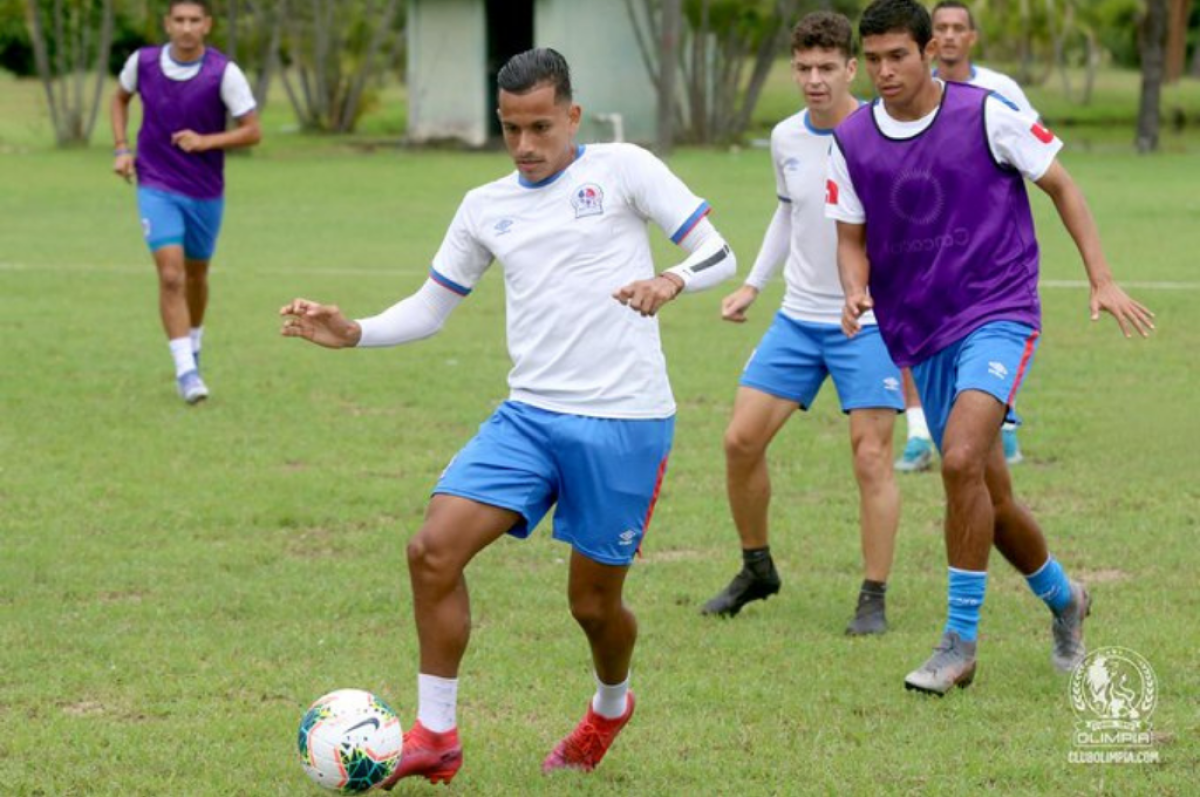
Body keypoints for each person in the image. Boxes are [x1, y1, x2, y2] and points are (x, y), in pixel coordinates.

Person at [280, 48, 736, 782]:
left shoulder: (623, 167)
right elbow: (432, 307)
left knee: (592, 606)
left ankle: (611, 705)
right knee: (432, 549)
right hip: (528, 418)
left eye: (541, 127)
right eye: (511, 128)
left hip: (624, 421)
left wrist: (670, 279)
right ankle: (436, 734)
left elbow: (718, 252)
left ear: (573, 116)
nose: (525, 146)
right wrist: (355, 329)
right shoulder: (485, 205)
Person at [827, 0, 1153, 695]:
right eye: (874, 58)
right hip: (921, 329)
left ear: (928, 52)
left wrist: (1102, 278)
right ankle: (1067, 598)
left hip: (998, 310)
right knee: (992, 503)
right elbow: (850, 238)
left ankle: (958, 643)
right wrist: (854, 288)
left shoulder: (987, 111)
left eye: (898, 56)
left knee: (961, 458)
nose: (885, 71)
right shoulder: (852, 140)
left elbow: (1061, 183)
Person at [700, 12, 902, 637]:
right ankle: (757, 568)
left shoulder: (884, 134)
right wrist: (753, 284)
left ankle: (873, 595)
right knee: (740, 442)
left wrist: (882, 297)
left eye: (826, 69)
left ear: (850, 69)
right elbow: (787, 214)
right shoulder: (786, 137)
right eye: (804, 69)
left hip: (867, 323)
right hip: (798, 319)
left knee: (870, 457)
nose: (815, 80)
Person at [895, 0, 1036, 470]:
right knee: (913, 341)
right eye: (942, 28)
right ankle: (918, 434)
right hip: (922, 254)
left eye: (960, 28)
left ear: (971, 37)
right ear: (929, 40)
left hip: (987, 259)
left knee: (989, 342)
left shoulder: (999, 92)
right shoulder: (904, 96)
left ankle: (1003, 426)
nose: (951, 36)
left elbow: (1035, 152)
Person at [110, 0, 261, 404]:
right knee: (171, 275)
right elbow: (119, 99)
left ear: (207, 25)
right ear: (168, 24)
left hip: (205, 191)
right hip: (155, 184)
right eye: (179, 20)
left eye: (195, 20)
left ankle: (193, 342)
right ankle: (186, 371)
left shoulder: (224, 72)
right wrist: (122, 149)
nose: (187, 27)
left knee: (196, 275)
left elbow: (252, 131)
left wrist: (206, 141)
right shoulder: (141, 64)